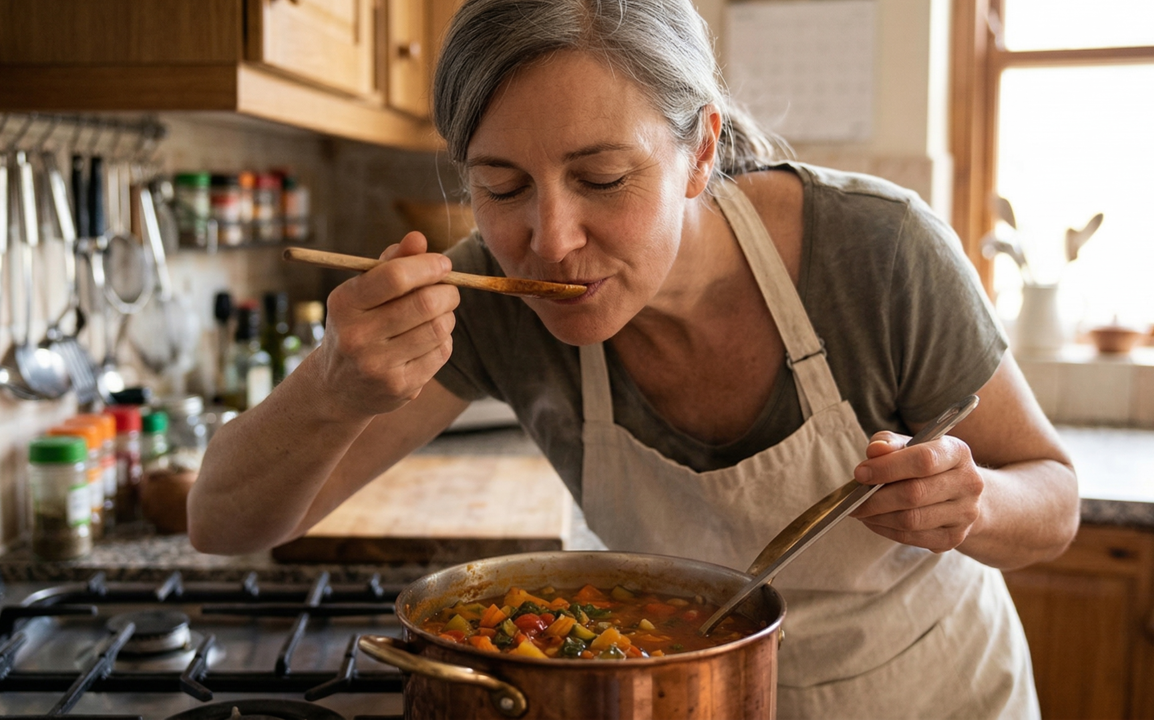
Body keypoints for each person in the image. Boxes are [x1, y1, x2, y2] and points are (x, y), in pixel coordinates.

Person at [189, 0, 1078, 716]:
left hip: (926, 695)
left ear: (698, 152)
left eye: (603, 179)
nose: (548, 239)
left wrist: (973, 502)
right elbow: (222, 525)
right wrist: (330, 392)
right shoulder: (487, 301)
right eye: (500, 186)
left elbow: (1054, 495)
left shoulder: (879, 254)